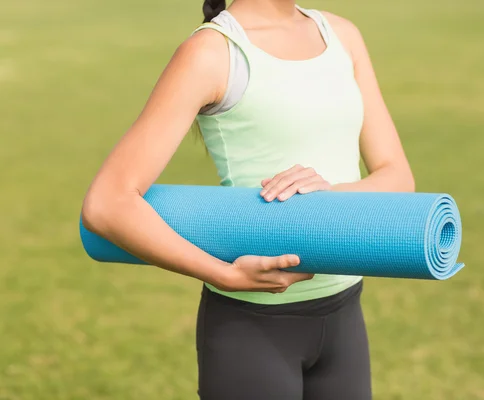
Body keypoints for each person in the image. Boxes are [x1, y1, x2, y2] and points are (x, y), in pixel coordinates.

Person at [81, 0, 415, 398]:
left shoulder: (342, 35)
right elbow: (107, 203)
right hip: (252, 326)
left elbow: (398, 175)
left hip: (345, 310)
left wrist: (331, 197)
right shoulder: (212, 52)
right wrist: (223, 274)